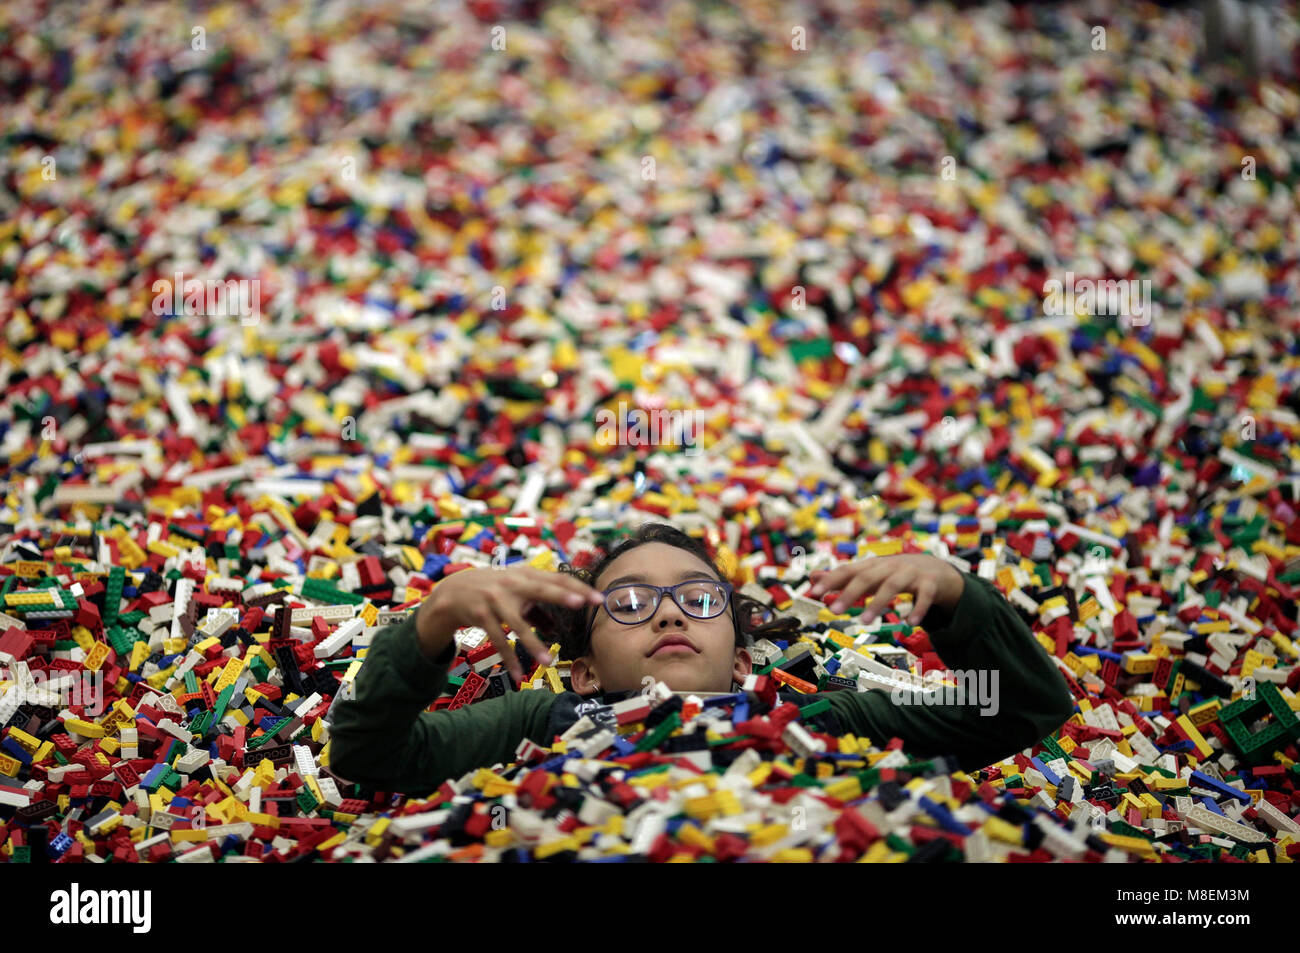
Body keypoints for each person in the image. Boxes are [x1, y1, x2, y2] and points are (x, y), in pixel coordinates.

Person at [328, 523, 1076, 793]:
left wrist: (954, 594)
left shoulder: (815, 715)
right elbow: (373, 756)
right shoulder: (547, 715)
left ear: (745, 662)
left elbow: (1022, 709)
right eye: (625, 603)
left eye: (698, 597)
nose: (665, 610)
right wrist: (430, 623)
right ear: (585, 669)